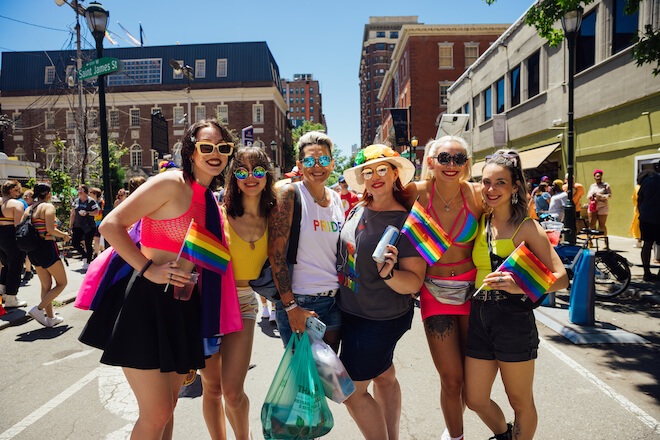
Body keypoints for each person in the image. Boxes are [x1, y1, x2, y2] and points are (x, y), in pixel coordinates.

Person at [79, 118, 237, 439]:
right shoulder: (170, 183)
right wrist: (147, 268)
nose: (215, 153)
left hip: (181, 304)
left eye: (223, 147)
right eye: (206, 147)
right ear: (191, 151)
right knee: (157, 412)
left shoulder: (207, 196)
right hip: (146, 302)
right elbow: (110, 225)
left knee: (169, 406)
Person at [466, 150, 568, 440]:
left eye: (500, 183)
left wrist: (520, 284)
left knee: (520, 402)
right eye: (486, 182)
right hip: (478, 316)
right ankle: (505, 435)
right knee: (475, 399)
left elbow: (561, 278)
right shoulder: (481, 223)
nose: (491, 189)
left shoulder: (527, 226)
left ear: (514, 188)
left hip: (512, 319)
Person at [338, 144, 426, 440]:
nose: (375, 176)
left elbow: (414, 281)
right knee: (384, 376)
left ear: (394, 173)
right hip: (350, 311)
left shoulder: (405, 222)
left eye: (382, 169)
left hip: (378, 318)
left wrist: (388, 273)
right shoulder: (357, 208)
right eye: (368, 171)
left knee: (351, 391)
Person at [404, 136, 483, 440]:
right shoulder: (415, 193)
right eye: (444, 158)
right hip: (433, 291)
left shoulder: (477, 195)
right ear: (430, 161)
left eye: (459, 158)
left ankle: (453, 426)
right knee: (451, 379)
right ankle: (456, 436)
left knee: (468, 378)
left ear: (467, 162)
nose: (452, 165)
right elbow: (377, 200)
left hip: (473, 292)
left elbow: (510, 215)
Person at [199, 146, 276, 440]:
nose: (250, 177)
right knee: (212, 387)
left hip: (244, 303)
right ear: (233, 177)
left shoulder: (276, 217)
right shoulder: (218, 215)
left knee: (232, 391)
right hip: (209, 303)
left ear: (267, 175)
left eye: (257, 170)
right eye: (241, 171)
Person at [268, 131, 343, 349]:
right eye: (309, 160)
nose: (317, 166)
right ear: (300, 166)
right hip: (301, 301)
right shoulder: (290, 194)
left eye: (324, 160)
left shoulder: (336, 199)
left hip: (335, 301)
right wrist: (290, 307)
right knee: (305, 379)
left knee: (329, 377)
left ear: (332, 163)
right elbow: (276, 255)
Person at [25, 183, 71, 327]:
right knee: (62, 283)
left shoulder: (29, 208)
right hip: (46, 247)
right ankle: (38, 309)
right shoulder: (48, 207)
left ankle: (50, 318)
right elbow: (50, 229)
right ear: (48, 193)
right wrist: (64, 236)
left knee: (46, 285)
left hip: (32, 250)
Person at [0, 180, 27, 308]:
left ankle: (2, 290)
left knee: (6, 264)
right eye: (17, 190)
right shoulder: (16, 204)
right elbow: (18, 226)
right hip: (11, 236)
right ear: (12, 190)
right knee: (15, 266)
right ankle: (11, 297)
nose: (19, 193)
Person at [638, 161, 660, 282]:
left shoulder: (648, 181)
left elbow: (640, 198)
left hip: (647, 217)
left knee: (647, 245)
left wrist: (642, 211)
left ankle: (646, 272)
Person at [69, 184, 99, 269]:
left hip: (88, 226)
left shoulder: (91, 201)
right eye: (78, 190)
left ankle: (89, 261)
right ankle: (85, 255)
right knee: (75, 242)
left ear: (85, 191)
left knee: (88, 243)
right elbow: (73, 213)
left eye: (81, 190)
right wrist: (70, 226)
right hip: (78, 225)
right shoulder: (76, 201)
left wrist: (87, 212)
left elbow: (96, 212)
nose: (79, 192)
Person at [587, 169, 612, 235]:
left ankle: (605, 241)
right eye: (597, 176)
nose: (598, 178)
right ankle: (590, 241)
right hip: (593, 206)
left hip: (603, 206)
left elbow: (609, 195)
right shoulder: (592, 186)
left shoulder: (605, 185)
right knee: (591, 224)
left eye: (599, 176)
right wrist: (591, 196)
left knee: (602, 225)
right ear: (594, 177)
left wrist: (600, 196)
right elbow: (588, 195)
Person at [21, 189, 36, 282]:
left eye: (28, 196)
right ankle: (29, 268)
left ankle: (28, 270)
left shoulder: (31, 207)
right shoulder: (24, 205)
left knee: (27, 252)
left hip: (30, 231)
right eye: (25, 195)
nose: (26, 197)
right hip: (24, 230)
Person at [89, 187, 105, 259]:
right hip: (93, 222)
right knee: (96, 238)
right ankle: (96, 253)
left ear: (95, 194)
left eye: (91, 192)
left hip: (100, 222)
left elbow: (100, 211)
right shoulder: (91, 202)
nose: (89, 194)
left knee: (97, 238)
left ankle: (96, 253)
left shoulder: (101, 202)